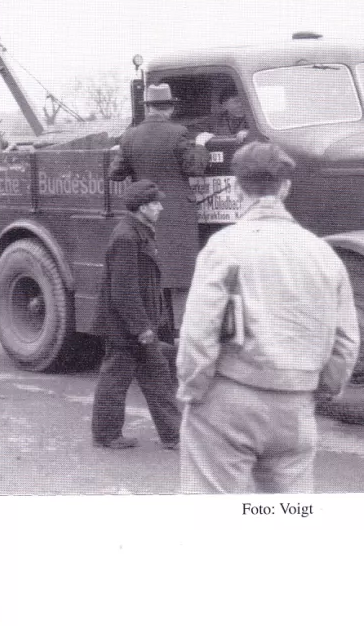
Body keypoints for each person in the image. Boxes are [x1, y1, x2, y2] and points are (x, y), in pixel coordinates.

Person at [176, 142, 359, 493]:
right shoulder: (324, 252)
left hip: (228, 399)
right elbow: (346, 342)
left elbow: (198, 332)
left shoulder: (223, 245)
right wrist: (313, 392)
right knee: (288, 521)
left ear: (236, 185)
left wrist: (193, 390)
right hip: (295, 407)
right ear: (286, 187)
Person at [91, 179, 182, 450]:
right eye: (155, 203)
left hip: (136, 326)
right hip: (126, 328)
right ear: (142, 208)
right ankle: (108, 435)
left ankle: (172, 435)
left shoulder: (139, 231)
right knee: (119, 380)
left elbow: (145, 284)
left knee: (156, 376)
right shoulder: (126, 237)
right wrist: (141, 327)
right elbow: (123, 289)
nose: (160, 208)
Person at [109, 83, 208, 331]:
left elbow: (116, 174)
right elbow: (194, 168)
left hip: (144, 216)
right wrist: (201, 145)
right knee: (180, 279)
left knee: (153, 275)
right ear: (170, 108)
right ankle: (183, 334)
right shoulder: (178, 133)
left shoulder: (129, 136)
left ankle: (158, 334)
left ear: (149, 108)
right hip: (176, 216)